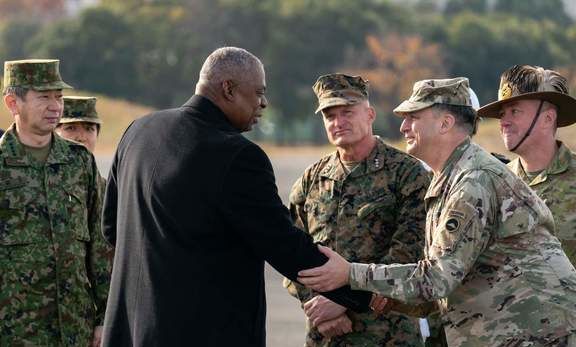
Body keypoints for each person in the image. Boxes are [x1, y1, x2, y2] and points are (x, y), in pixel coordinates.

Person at [297, 77, 576, 346]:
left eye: (413, 117)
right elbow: (438, 293)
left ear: (445, 123)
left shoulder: (473, 181)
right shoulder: (449, 180)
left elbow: (437, 279)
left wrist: (350, 274)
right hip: (519, 331)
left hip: (546, 334)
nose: (403, 126)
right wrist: (376, 297)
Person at [100, 47, 372, 347]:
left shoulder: (138, 131)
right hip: (200, 333)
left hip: (130, 331)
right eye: (258, 93)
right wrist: (361, 288)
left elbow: (111, 228)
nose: (263, 103)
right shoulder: (237, 156)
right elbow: (283, 244)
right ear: (228, 89)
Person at [477, 64, 576, 347]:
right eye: (502, 114)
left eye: (515, 111)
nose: (504, 121)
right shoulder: (496, 183)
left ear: (547, 119)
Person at [283, 73, 430, 346]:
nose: (338, 122)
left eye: (347, 112)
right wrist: (319, 309)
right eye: (330, 116)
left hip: (388, 334)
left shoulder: (407, 174)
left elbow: (410, 253)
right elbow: (290, 250)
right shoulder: (312, 179)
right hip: (326, 335)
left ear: (370, 114)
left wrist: (345, 300)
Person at [0, 59, 111, 346]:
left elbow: (99, 245)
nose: (55, 106)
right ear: (13, 102)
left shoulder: (79, 160)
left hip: (75, 328)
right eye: (44, 97)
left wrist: (103, 319)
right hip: (14, 330)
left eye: (58, 97)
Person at [55, 96, 107, 192]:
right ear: (53, 132)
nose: (81, 138)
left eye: (89, 129)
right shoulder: (37, 180)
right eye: (71, 128)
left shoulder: (107, 190)